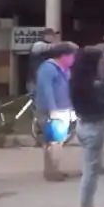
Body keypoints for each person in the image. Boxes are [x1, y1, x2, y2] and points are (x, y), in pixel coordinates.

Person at [70, 46, 104, 207]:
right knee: (90, 172)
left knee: (91, 170)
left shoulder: (76, 80)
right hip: (93, 127)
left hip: (82, 125)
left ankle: (88, 206)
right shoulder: (96, 85)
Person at [35, 41, 77, 181]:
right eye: (72, 56)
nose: (73, 59)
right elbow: (46, 90)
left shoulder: (64, 69)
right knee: (54, 142)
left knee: (55, 142)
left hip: (63, 108)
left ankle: (52, 169)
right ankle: (52, 172)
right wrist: (53, 109)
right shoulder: (48, 68)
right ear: (63, 56)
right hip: (51, 110)